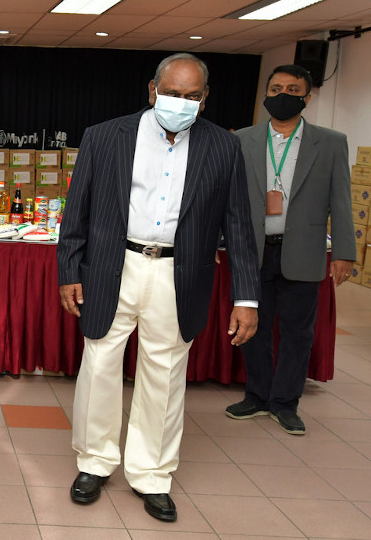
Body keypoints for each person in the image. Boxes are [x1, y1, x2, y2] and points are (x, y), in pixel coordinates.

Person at [57, 53, 260, 523]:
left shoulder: (223, 148)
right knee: (100, 364)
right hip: (114, 266)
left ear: (204, 99)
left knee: (165, 375)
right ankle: (94, 462)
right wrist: (69, 269)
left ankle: (151, 475)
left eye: (191, 97)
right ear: (152, 90)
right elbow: (78, 211)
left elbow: (240, 227)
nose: (180, 103)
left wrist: (246, 298)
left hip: (179, 274)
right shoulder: (105, 136)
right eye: (172, 93)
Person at [225, 65, 355, 435]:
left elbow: (341, 200)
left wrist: (345, 251)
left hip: (304, 251)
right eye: (276, 87)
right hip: (253, 250)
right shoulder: (242, 139)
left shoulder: (330, 142)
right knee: (253, 327)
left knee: (298, 332)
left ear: (306, 98)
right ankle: (257, 396)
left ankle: (285, 403)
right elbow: (227, 198)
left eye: (292, 88)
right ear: (266, 93)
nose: (282, 93)